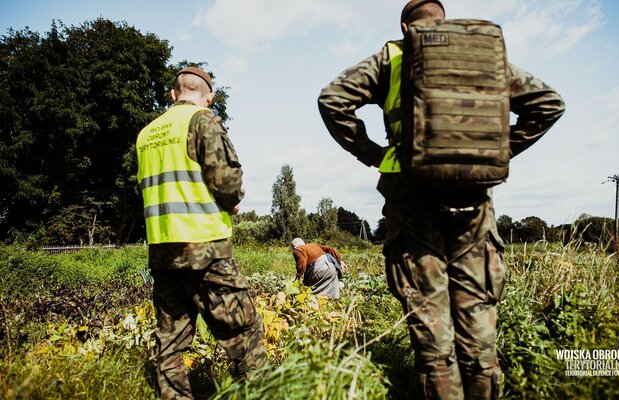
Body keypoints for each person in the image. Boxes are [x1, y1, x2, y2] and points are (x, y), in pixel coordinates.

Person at [317, 1, 565, 399]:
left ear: (405, 25)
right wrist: (498, 151)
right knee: (478, 322)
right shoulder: (480, 55)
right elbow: (549, 104)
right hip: (472, 200)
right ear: (442, 22)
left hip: (411, 197)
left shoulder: (393, 56)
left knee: (433, 333)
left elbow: (332, 100)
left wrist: (373, 153)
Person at [136, 66, 267, 399]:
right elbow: (227, 183)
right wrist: (232, 203)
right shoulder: (203, 120)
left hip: (163, 252)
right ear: (209, 97)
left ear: (173, 93)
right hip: (206, 249)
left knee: (170, 342)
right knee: (244, 333)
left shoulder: (147, 134)